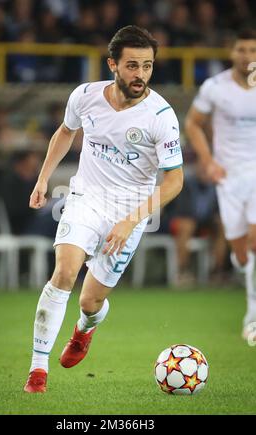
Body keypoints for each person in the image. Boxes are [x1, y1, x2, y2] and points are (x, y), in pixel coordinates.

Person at [23, 25, 184, 393]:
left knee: (91, 300)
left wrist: (130, 221)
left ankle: (85, 328)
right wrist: (43, 179)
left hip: (131, 210)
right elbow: (66, 132)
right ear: (112, 63)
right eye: (132, 66)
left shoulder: (161, 115)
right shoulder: (85, 96)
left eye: (147, 66)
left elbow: (174, 181)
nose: (140, 75)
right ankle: (37, 370)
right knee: (64, 272)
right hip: (85, 198)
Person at [185, 29, 256, 340]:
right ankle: (240, 264)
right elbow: (192, 123)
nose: (247, 55)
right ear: (232, 53)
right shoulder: (215, 87)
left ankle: (252, 318)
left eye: (253, 49)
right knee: (240, 250)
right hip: (228, 177)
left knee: (254, 242)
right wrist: (208, 161)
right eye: (242, 49)